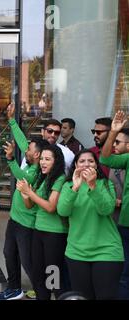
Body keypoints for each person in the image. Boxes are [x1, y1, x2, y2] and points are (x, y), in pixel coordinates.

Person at [57, 149, 123, 300]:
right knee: (83, 297)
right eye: (82, 161)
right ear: (75, 165)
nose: (86, 164)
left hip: (107, 251)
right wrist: (75, 188)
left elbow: (106, 209)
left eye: (91, 161)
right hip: (77, 252)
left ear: (96, 165)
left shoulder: (106, 184)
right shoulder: (68, 185)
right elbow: (62, 211)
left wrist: (93, 186)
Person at [0, 137, 49, 300]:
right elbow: (24, 144)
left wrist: (10, 159)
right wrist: (11, 121)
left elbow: (23, 177)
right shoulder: (32, 163)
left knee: (28, 261)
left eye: (29, 149)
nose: (26, 151)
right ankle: (14, 288)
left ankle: (42, 292)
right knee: (9, 253)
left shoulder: (37, 171)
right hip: (15, 220)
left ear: (37, 154)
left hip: (26, 225)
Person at [16, 144, 67, 300]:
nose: (43, 162)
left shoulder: (60, 178)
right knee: (38, 273)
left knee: (53, 275)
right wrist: (25, 195)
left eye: (47, 159)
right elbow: (31, 205)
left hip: (55, 233)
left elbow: (51, 207)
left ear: (56, 161)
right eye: (42, 159)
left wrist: (30, 192)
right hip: (39, 230)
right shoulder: (41, 177)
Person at [100, 110, 129, 299]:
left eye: (119, 141)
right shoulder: (127, 158)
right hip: (125, 224)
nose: (116, 144)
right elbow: (105, 159)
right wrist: (112, 132)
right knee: (124, 274)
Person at [7, 104, 74, 175]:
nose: (53, 135)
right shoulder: (31, 150)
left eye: (57, 133)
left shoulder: (67, 154)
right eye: (50, 131)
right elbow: (22, 141)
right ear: (42, 131)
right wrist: (12, 120)